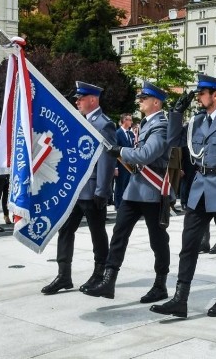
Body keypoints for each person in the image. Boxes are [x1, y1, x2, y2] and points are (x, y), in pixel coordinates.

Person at [151, 74, 216, 318]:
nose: (197, 97)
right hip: (200, 190)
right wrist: (176, 114)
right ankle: (180, 299)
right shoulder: (197, 121)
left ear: (215, 95)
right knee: (188, 247)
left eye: (201, 93)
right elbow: (174, 142)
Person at [83, 82, 172, 302]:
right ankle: (109, 280)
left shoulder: (161, 125)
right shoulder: (146, 123)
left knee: (157, 240)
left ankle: (160, 284)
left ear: (156, 102)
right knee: (119, 233)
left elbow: (146, 154)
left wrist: (119, 150)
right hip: (135, 189)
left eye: (144, 98)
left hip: (153, 190)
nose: (140, 101)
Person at [41, 82, 116, 295]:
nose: (77, 101)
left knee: (97, 232)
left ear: (93, 99)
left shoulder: (104, 124)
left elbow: (106, 159)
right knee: (65, 230)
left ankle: (99, 273)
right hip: (74, 189)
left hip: (92, 189)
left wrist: (102, 190)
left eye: (80, 98)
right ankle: (64, 274)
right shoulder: (78, 121)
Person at [114, 114, 135, 209]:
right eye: (129, 120)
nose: (131, 122)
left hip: (129, 164)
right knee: (120, 185)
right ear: (124, 121)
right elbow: (115, 151)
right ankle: (118, 205)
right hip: (121, 164)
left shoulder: (131, 134)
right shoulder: (117, 133)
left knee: (127, 185)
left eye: (131, 120)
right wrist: (115, 167)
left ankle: (125, 205)